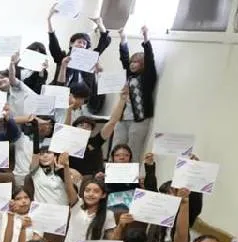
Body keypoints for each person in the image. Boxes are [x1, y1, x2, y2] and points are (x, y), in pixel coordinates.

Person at [47, 7, 111, 114]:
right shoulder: (63, 58)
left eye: (84, 44)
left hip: (84, 100)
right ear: (72, 44)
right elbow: (53, 44)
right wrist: (49, 19)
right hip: (63, 97)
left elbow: (104, 42)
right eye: (79, 42)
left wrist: (100, 24)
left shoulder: (90, 58)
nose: (82, 45)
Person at [116, 26, 157, 161]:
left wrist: (146, 36)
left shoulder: (148, 77)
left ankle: (129, 180)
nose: (132, 65)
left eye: (136, 62)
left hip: (139, 119)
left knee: (133, 150)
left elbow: (150, 58)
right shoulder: (130, 76)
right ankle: (111, 178)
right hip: (123, 118)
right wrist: (123, 38)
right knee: (117, 148)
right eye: (132, 62)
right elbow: (124, 58)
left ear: (142, 64)